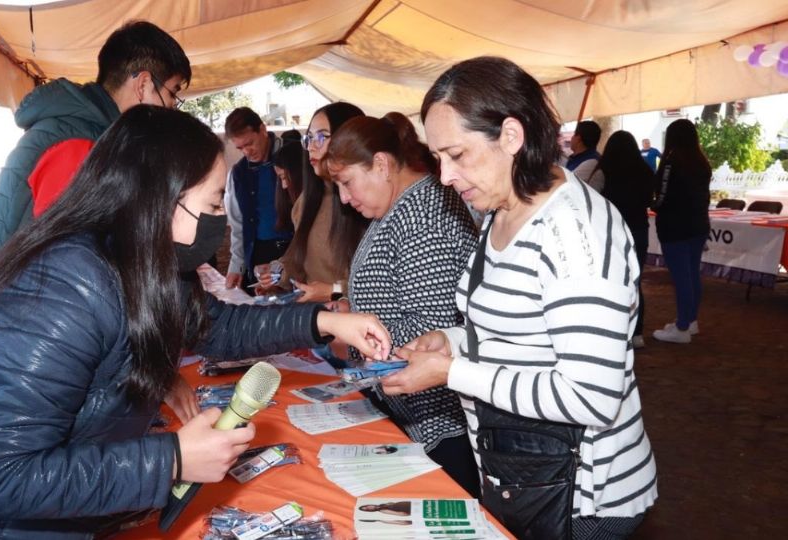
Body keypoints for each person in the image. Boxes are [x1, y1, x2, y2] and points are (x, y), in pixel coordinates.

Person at [0, 106, 391, 539]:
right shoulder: (62, 286)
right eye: (210, 203)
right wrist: (171, 460)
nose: (215, 221)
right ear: (160, 200)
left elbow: (219, 329)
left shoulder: (141, 262)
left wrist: (325, 321)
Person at [385, 57, 656, 539]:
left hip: (583, 494)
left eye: (457, 155)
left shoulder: (576, 235)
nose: (445, 176)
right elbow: (521, 330)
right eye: (438, 158)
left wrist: (453, 373)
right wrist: (452, 340)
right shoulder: (503, 207)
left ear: (511, 136)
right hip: (527, 476)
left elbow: (590, 396)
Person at [0, 20, 192, 365]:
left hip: (13, 327)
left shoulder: (93, 136)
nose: (171, 108)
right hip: (1, 341)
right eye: (173, 93)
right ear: (144, 84)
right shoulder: (78, 145)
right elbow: (67, 272)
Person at [326, 113, 479, 496]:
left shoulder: (425, 213)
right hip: (413, 411)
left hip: (439, 422)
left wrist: (358, 339)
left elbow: (435, 323)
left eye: (347, 183)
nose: (344, 199)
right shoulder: (395, 207)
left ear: (381, 164)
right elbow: (390, 293)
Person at [258, 102, 368, 303]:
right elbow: (297, 257)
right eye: (308, 138)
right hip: (317, 321)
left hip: (356, 323)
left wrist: (334, 290)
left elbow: (382, 284)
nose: (311, 146)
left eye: (321, 137)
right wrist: (277, 271)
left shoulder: (367, 202)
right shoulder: (306, 202)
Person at [651, 119, 711, 344]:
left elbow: (663, 195)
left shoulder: (671, 161)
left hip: (675, 227)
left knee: (681, 278)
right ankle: (690, 320)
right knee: (692, 275)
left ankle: (682, 327)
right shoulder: (701, 162)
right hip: (698, 225)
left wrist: (653, 205)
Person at [593, 131, 656, 348]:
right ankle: (637, 332)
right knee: (635, 283)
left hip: (611, 232)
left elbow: (590, 198)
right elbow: (649, 200)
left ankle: (612, 330)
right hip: (639, 230)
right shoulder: (646, 171)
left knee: (610, 281)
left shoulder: (604, 171)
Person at [223, 107, 293, 290]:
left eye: (250, 143)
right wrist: (237, 266)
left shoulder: (294, 160)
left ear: (262, 130)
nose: (247, 152)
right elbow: (238, 227)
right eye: (240, 148)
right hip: (259, 254)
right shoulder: (237, 174)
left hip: (295, 251)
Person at [566, 120, 602, 188]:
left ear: (578, 138)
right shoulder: (575, 157)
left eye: (574, 135)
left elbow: (567, 184)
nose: (571, 138)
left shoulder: (592, 162)